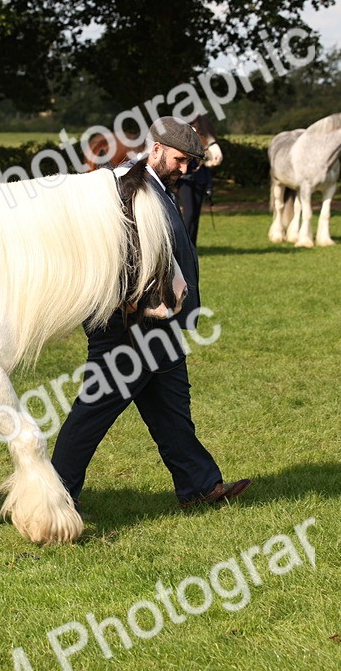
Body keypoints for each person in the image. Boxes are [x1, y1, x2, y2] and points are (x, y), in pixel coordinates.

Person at [51, 116, 251, 513]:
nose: (185, 169)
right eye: (179, 160)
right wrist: (128, 299)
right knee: (95, 410)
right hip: (127, 324)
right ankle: (53, 494)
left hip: (158, 322)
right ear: (156, 148)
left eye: (191, 162)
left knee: (171, 406)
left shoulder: (153, 183)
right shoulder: (126, 185)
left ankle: (199, 485)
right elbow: (108, 246)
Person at [174, 115, 224, 246]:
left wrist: (209, 186)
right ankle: (184, 244)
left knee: (195, 216)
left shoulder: (201, 145)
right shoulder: (185, 142)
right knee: (189, 214)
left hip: (199, 181)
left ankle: (192, 246)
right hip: (186, 182)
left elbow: (205, 168)